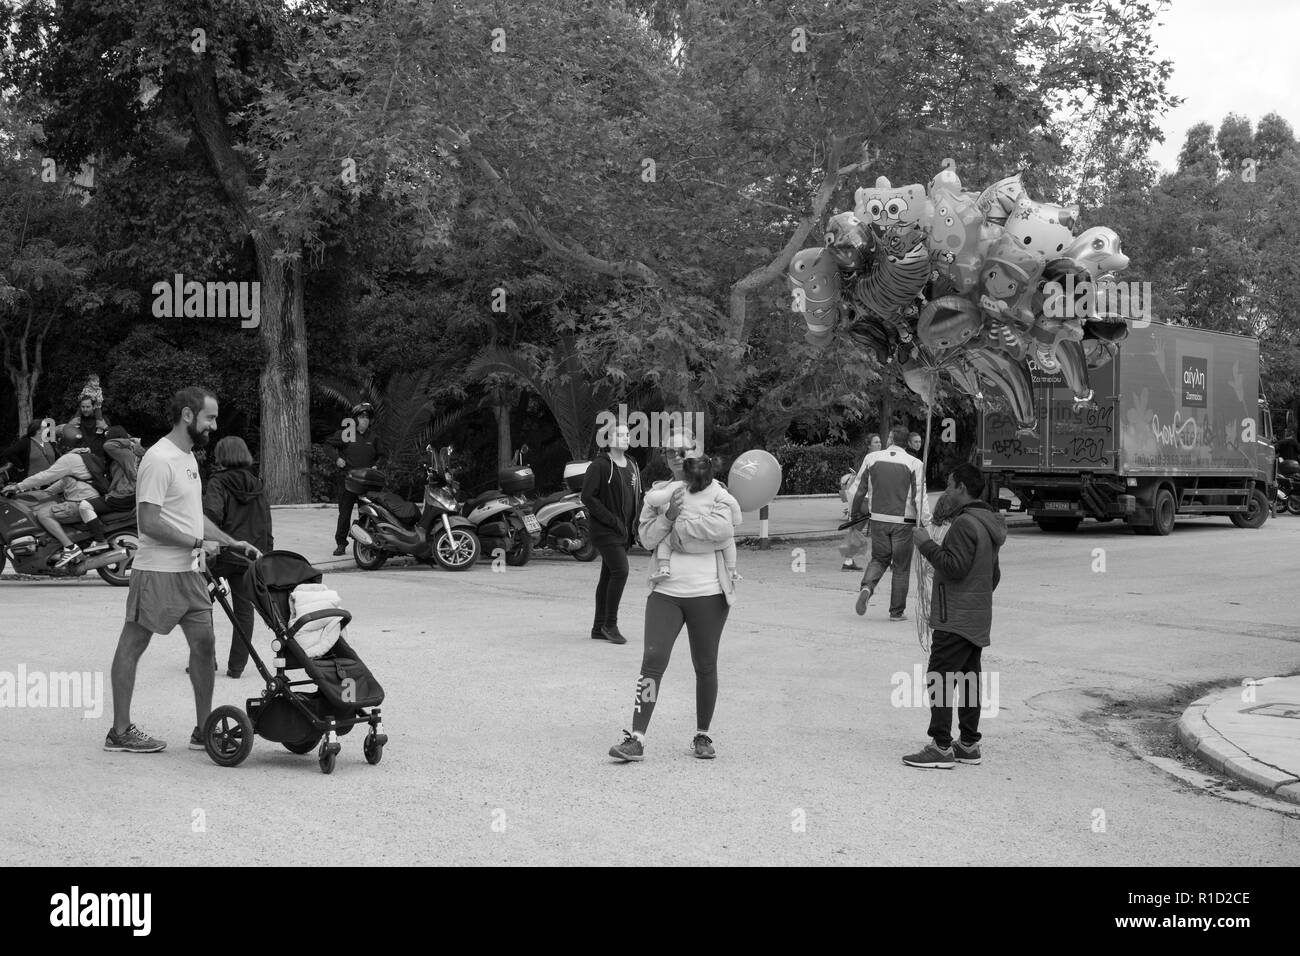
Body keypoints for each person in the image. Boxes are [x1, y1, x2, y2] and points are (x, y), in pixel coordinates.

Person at [104, 387, 261, 755]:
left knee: (205, 645)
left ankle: (204, 728)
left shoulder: (188, 459)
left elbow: (194, 518)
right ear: (188, 415)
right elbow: (149, 522)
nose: (215, 425)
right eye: (210, 417)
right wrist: (195, 544)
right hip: (157, 571)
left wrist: (230, 541)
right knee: (134, 644)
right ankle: (120, 731)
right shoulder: (159, 459)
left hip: (190, 572)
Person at [608, 431, 739, 762]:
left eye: (683, 450)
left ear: (697, 453)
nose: (677, 456)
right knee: (652, 660)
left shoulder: (717, 491)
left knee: (705, 664)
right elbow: (646, 539)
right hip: (666, 593)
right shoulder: (657, 494)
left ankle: (702, 735)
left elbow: (722, 531)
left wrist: (677, 531)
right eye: (670, 452)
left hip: (710, 593)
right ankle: (636, 737)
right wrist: (668, 516)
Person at [904, 462, 1007, 769]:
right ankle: (969, 743)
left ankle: (940, 745)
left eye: (949, 485)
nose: (945, 491)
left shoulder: (964, 525)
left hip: (955, 615)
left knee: (940, 676)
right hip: (976, 613)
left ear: (962, 488)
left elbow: (954, 567)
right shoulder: (988, 522)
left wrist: (925, 545)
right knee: (969, 678)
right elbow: (993, 575)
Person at [203, 436, 274, 679]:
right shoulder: (257, 484)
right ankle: (237, 667)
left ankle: (206, 659)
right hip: (249, 555)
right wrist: (267, 553)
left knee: (202, 604)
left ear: (221, 456)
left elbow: (211, 515)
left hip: (222, 554)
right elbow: (266, 522)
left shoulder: (217, 482)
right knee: (244, 610)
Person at [2, 424, 113, 567]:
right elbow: (65, 481)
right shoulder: (82, 455)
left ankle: (70, 548)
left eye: (57, 440)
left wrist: (18, 486)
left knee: (43, 514)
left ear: (63, 442)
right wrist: (37, 492)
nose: (54, 443)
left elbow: (46, 476)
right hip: (89, 499)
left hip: (80, 502)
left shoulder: (69, 460)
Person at [851, 424, 931, 621]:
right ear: (908, 441)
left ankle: (867, 588)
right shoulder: (914, 463)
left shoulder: (871, 459)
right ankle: (896, 612)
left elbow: (857, 490)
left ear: (891, 439)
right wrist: (926, 521)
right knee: (901, 567)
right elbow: (919, 496)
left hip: (878, 518)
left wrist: (854, 515)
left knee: (879, 559)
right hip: (904, 522)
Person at [581, 422, 643, 644]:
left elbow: (638, 495)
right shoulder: (599, 466)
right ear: (607, 439)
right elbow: (588, 497)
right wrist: (612, 520)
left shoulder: (633, 464)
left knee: (608, 576)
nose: (626, 437)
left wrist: (635, 524)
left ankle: (598, 628)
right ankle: (610, 624)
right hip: (606, 531)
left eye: (627, 434)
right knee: (621, 571)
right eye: (620, 434)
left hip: (625, 530)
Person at [646, 455, 741, 583]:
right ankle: (731, 570)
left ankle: (664, 568)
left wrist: (650, 496)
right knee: (729, 541)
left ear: (686, 473)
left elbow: (654, 499)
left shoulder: (680, 486)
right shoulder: (717, 489)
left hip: (682, 542)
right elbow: (733, 505)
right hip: (709, 544)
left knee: (664, 542)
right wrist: (736, 520)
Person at [329, 402, 383, 556]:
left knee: (367, 514)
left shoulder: (374, 438)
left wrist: (377, 466)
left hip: (367, 483)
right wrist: (337, 458)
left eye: (367, 417)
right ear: (354, 418)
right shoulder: (347, 434)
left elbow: (383, 455)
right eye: (361, 416)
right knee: (344, 514)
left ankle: (365, 543)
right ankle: (341, 544)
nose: (365, 419)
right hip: (348, 482)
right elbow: (328, 445)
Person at [839, 434, 882, 571]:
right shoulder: (872, 459)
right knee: (880, 529)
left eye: (880, 442)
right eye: (876, 442)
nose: (879, 444)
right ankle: (883, 560)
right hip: (866, 498)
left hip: (863, 497)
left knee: (857, 531)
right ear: (869, 445)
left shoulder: (868, 458)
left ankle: (848, 561)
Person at [98, 425, 145, 513]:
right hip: (134, 492)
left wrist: (129, 441)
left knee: (85, 506)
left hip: (125, 494)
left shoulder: (124, 453)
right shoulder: (133, 452)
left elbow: (108, 445)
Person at [1, 418, 58, 484]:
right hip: (32, 482)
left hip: (51, 480)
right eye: (45, 428)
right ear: (38, 431)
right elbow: (8, 453)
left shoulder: (48, 442)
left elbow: (57, 458)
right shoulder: (25, 442)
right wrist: (20, 466)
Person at [66, 393, 109, 460]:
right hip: (80, 455)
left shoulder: (102, 419)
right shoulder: (76, 419)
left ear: (93, 406)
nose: (85, 409)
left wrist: (106, 427)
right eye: (83, 407)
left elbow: (111, 436)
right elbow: (66, 436)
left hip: (97, 457)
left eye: (88, 407)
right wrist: (69, 425)